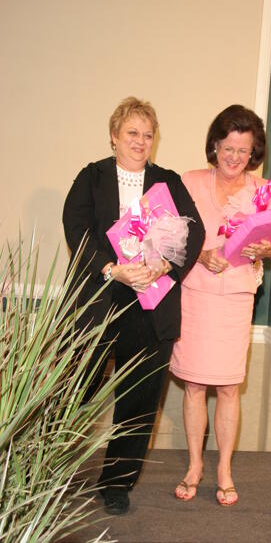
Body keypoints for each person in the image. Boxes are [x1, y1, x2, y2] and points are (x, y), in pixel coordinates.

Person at [62, 96, 205, 515]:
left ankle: (117, 484)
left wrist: (163, 266)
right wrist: (113, 269)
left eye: (147, 134)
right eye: (132, 133)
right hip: (99, 300)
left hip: (151, 305)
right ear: (113, 136)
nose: (140, 141)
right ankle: (45, 469)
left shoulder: (168, 182)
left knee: (139, 399)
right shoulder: (91, 178)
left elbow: (192, 235)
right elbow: (77, 230)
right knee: (75, 391)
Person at [170, 104, 271, 506]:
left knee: (228, 387)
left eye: (243, 151)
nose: (234, 157)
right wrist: (199, 254)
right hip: (194, 295)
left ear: (254, 153)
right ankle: (194, 466)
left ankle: (224, 470)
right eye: (228, 147)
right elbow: (166, 237)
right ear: (214, 145)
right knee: (194, 383)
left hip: (236, 300)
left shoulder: (267, 192)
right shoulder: (188, 182)